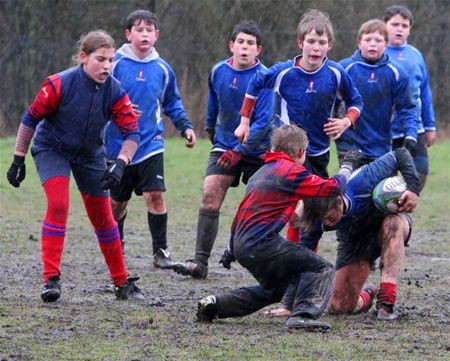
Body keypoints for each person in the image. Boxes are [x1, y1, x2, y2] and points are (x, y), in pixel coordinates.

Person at [6, 30, 145, 302]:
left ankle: (122, 283)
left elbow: (132, 133)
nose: (106, 66)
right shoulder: (59, 84)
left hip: (90, 153)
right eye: (100, 59)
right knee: (58, 205)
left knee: (104, 217)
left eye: (111, 60)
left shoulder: (115, 90)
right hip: (52, 148)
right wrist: (18, 158)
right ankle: (51, 280)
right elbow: (30, 118)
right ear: (83, 57)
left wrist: (120, 163)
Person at [196, 124, 360, 331]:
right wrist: (348, 165)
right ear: (301, 152)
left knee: (273, 290)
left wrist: (231, 249)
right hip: (262, 244)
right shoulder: (292, 171)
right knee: (322, 268)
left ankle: (216, 305)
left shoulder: (260, 173)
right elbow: (332, 187)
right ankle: (303, 315)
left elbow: (240, 214)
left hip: (241, 243)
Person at [172, 20, 274, 279]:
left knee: (258, 209)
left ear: (258, 50)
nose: (244, 47)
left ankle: (251, 259)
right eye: (240, 42)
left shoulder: (266, 77)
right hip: (225, 145)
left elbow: (262, 123)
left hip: (257, 150)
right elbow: (214, 100)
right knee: (210, 194)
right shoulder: (218, 70)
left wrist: (241, 150)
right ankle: (200, 263)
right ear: (231, 45)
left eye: (250, 43)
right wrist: (209, 125)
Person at [272, 147, 421, 320]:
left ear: (338, 200)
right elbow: (303, 262)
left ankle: (386, 305)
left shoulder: (362, 182)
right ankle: (367, 294)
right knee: (339, 306)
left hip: (386, 223)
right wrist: (289, 304)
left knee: (392, 224)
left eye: (328, 218)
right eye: (323, 221)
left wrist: (413, 189)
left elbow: (401, 154)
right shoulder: (315, 221)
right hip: (355, 238)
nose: (326, 223)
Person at [103, 10, 196, 269]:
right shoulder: (116, 63)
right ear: (128, 34)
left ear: (156, 36)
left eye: (149, 30)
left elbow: (172, 103)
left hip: (151, 143)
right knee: (118, 203)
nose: (144, 34)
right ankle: (115, 247)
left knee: (155, 195)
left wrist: (185, 126)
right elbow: (99, 96)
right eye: (139, 29)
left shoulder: (163, 69)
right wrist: (119, 109)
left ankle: (161, 252)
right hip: (118, 144)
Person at [235, 9, 363, 179]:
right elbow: (255, 83)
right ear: (301, 43)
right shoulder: (284, 72)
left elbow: (356, 101)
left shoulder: (336, 73)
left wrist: (346, 121)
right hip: (287, 149)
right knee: (289, 201)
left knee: (316, 204)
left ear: (329, 45)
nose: (316, 47)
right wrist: (244, 122)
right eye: (311, 41)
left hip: (319, 151)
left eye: (322, 42)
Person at [335, 19, 416, 166]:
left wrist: (411, 134)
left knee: (382, 189)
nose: (373, 44)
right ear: (359, 42)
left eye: (378, 40)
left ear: (386, 44)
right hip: (348, 148)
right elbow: (329, 104)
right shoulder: (343, 69)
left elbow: (407, 108)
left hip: (381, 147)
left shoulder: (397, 73)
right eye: (368, 39)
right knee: (352, 188)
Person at [383, 5, 437, 189]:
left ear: (410, 29)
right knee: (386, 181)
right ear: (385, 26)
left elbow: (425, 92)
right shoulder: (377, 53)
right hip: (385, 130)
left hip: (415, 128)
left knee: (420, 173)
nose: (399, 29)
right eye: (395, 24)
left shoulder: (416, 55)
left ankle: (403, 209)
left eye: (404, 25)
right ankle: (389, 215)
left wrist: (430, 126)